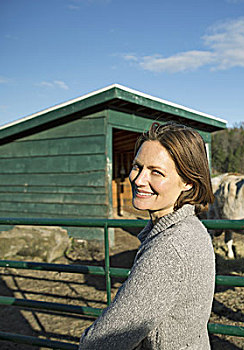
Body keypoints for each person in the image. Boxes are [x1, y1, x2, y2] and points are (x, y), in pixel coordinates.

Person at [80, 122, 215, 349]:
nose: (138, 179)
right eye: (137, 166)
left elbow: (102, 343)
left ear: (188, 182)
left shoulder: (169, 249)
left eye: (156, 172)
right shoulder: (191, 228)